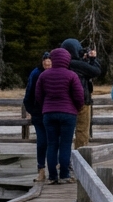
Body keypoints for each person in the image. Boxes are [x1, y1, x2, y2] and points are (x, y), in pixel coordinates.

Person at [34, 47, 83, 184]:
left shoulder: (44, 75)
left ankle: (52, 176)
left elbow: (38, 95)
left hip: (49, 113)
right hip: (68, 113)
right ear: (67, 60)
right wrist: (76, 108)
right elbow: (79, 96)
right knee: (65, 144)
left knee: (52, 144)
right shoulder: (71, 75)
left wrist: (46, 106)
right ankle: (65, 175)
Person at [61, 39, 103, 150]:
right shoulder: (77, 64)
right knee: (82, 130)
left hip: (64, 103)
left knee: (64, 132)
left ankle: (63, 159)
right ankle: (81, 156)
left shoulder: (61, 65)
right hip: (83, 101)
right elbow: (96, 71)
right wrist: (92, 59)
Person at [22, 52, 51, 183]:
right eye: (45, 60)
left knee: (55, 142)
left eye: (49, 60)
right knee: (42, 141)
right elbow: (29, 93)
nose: (47, 62)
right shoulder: (36, 73)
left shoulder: (58, 72)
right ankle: (41, 169)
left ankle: (55, 170)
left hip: (52, 112)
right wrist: (32, 110)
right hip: (39, 113)